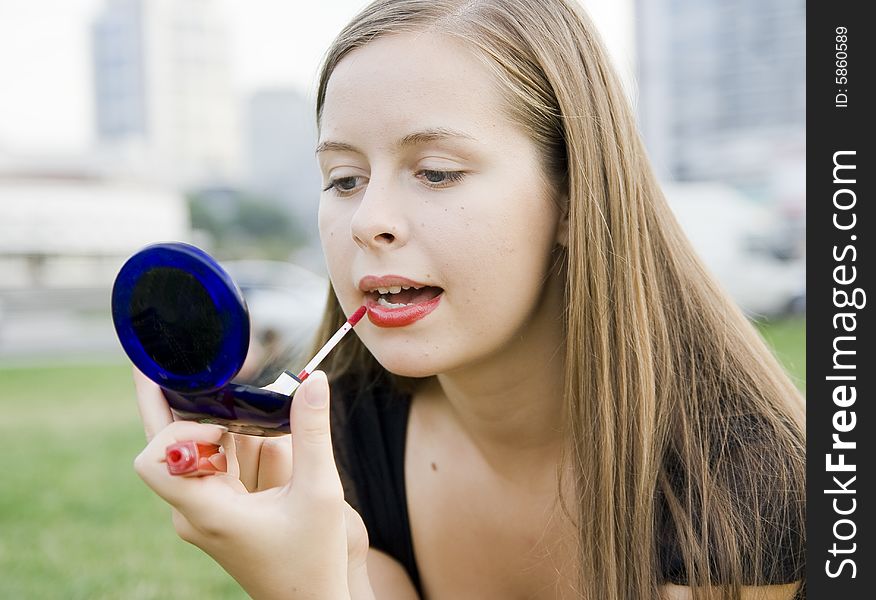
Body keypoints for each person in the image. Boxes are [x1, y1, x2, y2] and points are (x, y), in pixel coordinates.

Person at [132, 1, 806, 598]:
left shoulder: (744, 473)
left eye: (436, 172)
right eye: (343, 179)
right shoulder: (348, 426)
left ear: (574, 197)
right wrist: (309, 568)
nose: (369, 219)